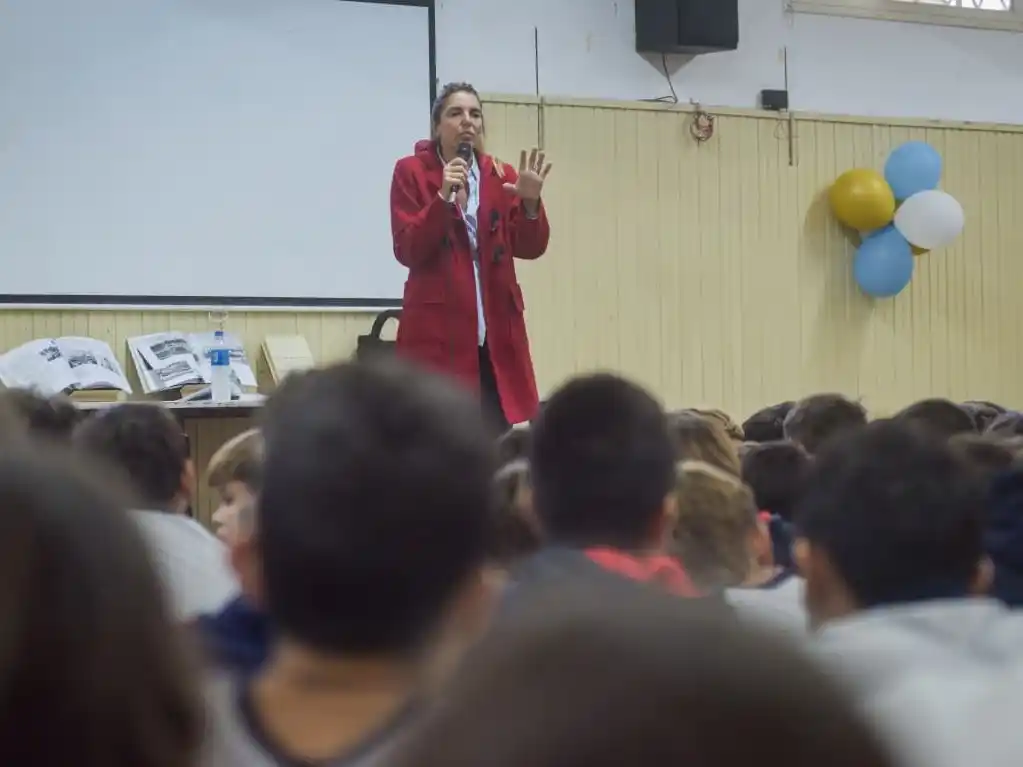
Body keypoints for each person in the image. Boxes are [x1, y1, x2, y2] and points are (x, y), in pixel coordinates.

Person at [389, 81, 553, 433]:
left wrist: (529, 204)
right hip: (438, 335)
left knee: (496, 441)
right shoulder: (411, 172)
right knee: (438, 442)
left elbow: (530, 247)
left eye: (475, 114)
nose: (468, 121)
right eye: (456, 113)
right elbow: (407, 248)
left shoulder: (502, 175)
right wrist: (443, 200)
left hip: (495, 336)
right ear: (437, 126)